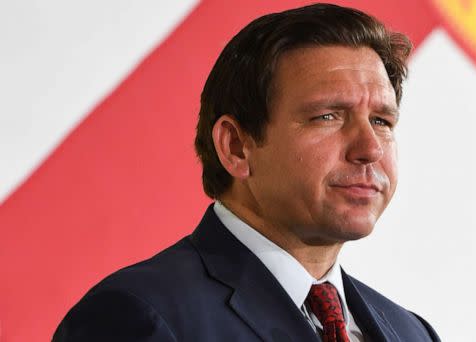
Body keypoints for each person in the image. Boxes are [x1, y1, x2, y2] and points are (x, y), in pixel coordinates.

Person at [53, 3, 440, 341]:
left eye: (382, 121)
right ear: (236, 146)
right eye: (327, 116)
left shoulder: (411, 332)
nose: (370, 148)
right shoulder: (138, 317)